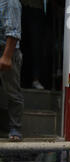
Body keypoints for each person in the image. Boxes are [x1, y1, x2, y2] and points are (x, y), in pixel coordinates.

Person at [0, 0, 24, 141]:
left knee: (12, 92)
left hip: (7, 50)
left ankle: (15, 128)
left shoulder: (11, 2)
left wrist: (6, 57)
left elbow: (14, 31)